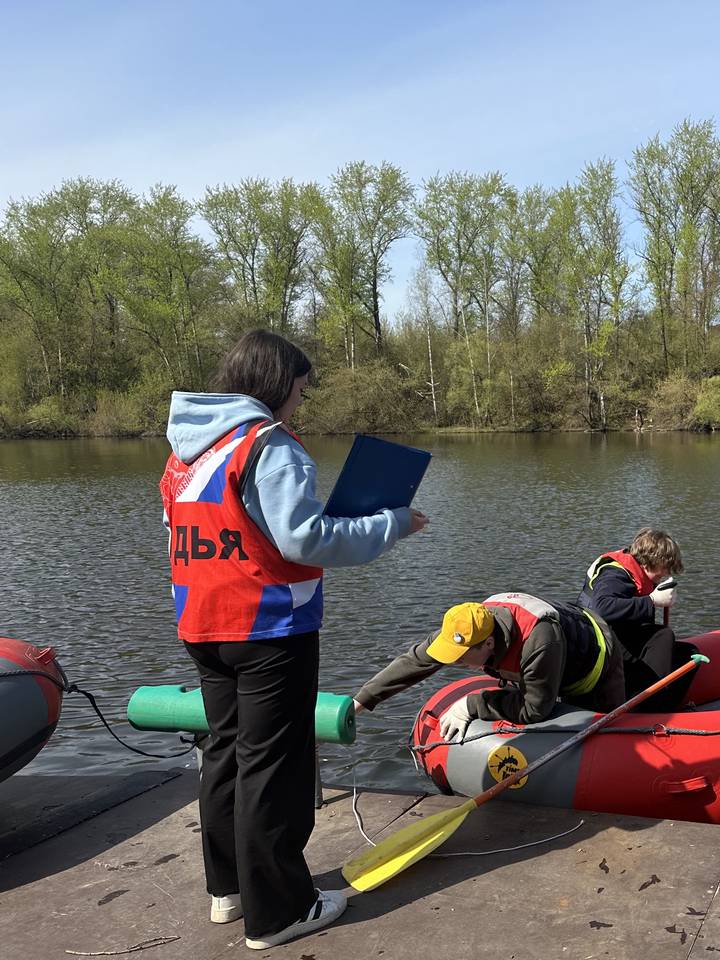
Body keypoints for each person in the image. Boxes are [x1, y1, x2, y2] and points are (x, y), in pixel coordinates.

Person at [159, 329, 426, 951]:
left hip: (203, 621)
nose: (301, 402)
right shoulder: (268, 445)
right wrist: (391, 524)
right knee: (272, 765)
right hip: (269, 626)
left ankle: (229, 890)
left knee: (224, 750)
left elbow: (187, 528)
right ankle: (279, 911)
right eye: (301, 390)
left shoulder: (187, 452)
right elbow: (304, 539)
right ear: (279, 384)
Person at [353, 592, 625, 739]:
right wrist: (359, 704)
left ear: (489, 645)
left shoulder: (539, 641)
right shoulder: (466, 626)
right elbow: (414, 662)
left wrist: (472, 705)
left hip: (596, 659)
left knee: (605, 737)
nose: (455, 661)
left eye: (461, 656)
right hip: (550, 656)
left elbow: (535, 710)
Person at [577, 527, 695, 710]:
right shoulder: (615, 574)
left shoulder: (636, 573)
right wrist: (652, 601)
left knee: (688, 654)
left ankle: (663, 704)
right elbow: (603, 608)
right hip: (597, 646)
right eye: (665, 567)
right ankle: (650, 708)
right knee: (663, 636)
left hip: (615, 640)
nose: (666, 573)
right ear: (650, 561)